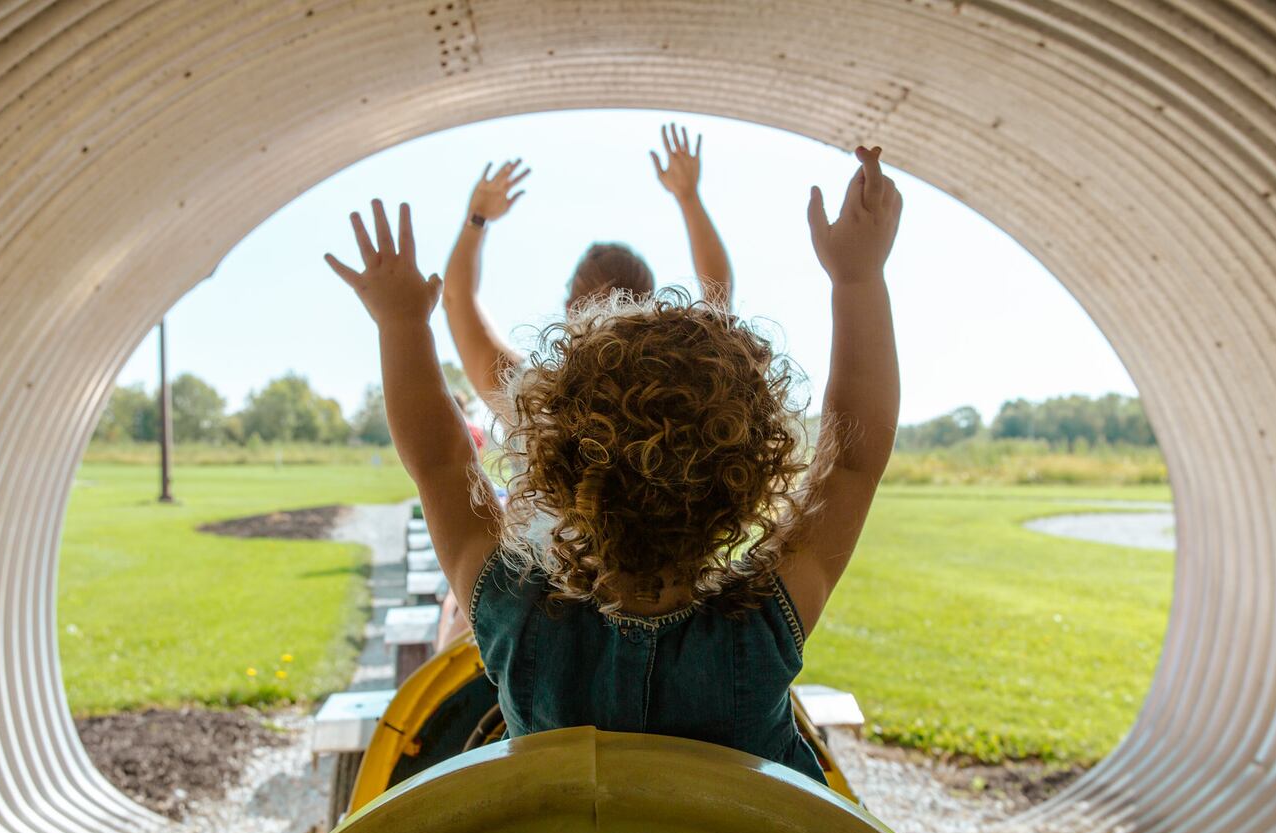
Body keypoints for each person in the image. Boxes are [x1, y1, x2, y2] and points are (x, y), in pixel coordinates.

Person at [323, 146, 901, 785]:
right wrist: (858, 279)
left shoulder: (515, 619)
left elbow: (439, 461)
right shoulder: (765, 628)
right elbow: (851, 463)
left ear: (548, 464)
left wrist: (402, 323)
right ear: (744, 479)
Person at [442, 124, 734, 414]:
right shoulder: (692, 384)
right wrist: (688, 196)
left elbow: (457, 300)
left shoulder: (532, 398)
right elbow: (718, 293)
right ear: (650, 306)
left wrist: (477, 218)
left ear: (571, 309)